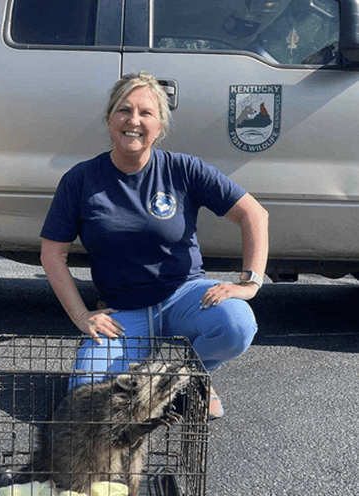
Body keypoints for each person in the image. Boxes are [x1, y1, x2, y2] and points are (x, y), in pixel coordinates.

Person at [39, 72, 269, 419]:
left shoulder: (183, 169)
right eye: (124, 110)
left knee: (236, 325)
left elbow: (253, 214)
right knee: (85, 393)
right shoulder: (81, 179)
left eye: (146, 113)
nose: (134, 121)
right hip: (123, 311)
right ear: (109, 119)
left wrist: (249, 283)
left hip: (185, 297)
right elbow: (52, 254)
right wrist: (81, 315)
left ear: (160, 126)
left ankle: (192, 376)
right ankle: (150, 373)